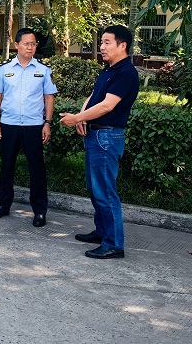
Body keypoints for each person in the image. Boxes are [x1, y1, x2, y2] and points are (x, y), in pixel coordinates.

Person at [60, 25, 139, 259]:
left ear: (122, 45)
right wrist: (82, 116)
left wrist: (76, 119)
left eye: (106, 42)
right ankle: (103, 232)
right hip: (96, 135)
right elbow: (94, 97)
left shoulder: (126, 73)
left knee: (105, 191)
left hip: (107, 137)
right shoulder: (109, 69)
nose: (101, 47)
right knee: (95, 190)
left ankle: (114, 244)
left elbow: (107, 105)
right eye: (101, 42)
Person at [0, 27, 57, 227]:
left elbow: (49, 97)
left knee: (37, 169)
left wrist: (47, 123)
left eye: (33, 44)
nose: (30, 47)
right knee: (6, 166)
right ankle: (3, 205)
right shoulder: (4, 69)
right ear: (16, 44)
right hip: (9, 125)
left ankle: (40, 211)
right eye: (26, 44)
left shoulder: (43, 70)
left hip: (34, 126)